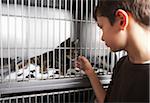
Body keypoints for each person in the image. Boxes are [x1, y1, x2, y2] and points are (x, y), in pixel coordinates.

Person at [75, 0, 150, 103]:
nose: (102, 37)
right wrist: (90, 71)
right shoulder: (121, 64)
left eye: (102, 27)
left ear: (121, 20)